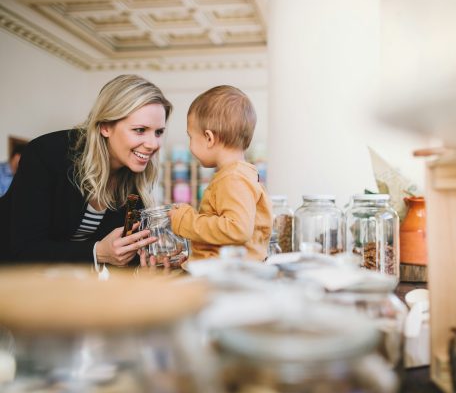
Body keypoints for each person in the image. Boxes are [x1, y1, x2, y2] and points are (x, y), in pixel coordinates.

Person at [0, 74, 172, 266]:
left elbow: (121, 254)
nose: (152, 144)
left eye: (159, 132)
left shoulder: (134, 177)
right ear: (105, 126)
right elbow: (24, 249)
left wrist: (147, 264)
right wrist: (96, 252)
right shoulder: (46, 153)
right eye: (140, 130)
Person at [155, 85, 271, 263]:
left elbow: (237, 229)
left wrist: (186, 221)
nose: (190, 145)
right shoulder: (238, 175)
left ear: (209, 138)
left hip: (229, 275)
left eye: (191, 137)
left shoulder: (234, 178)